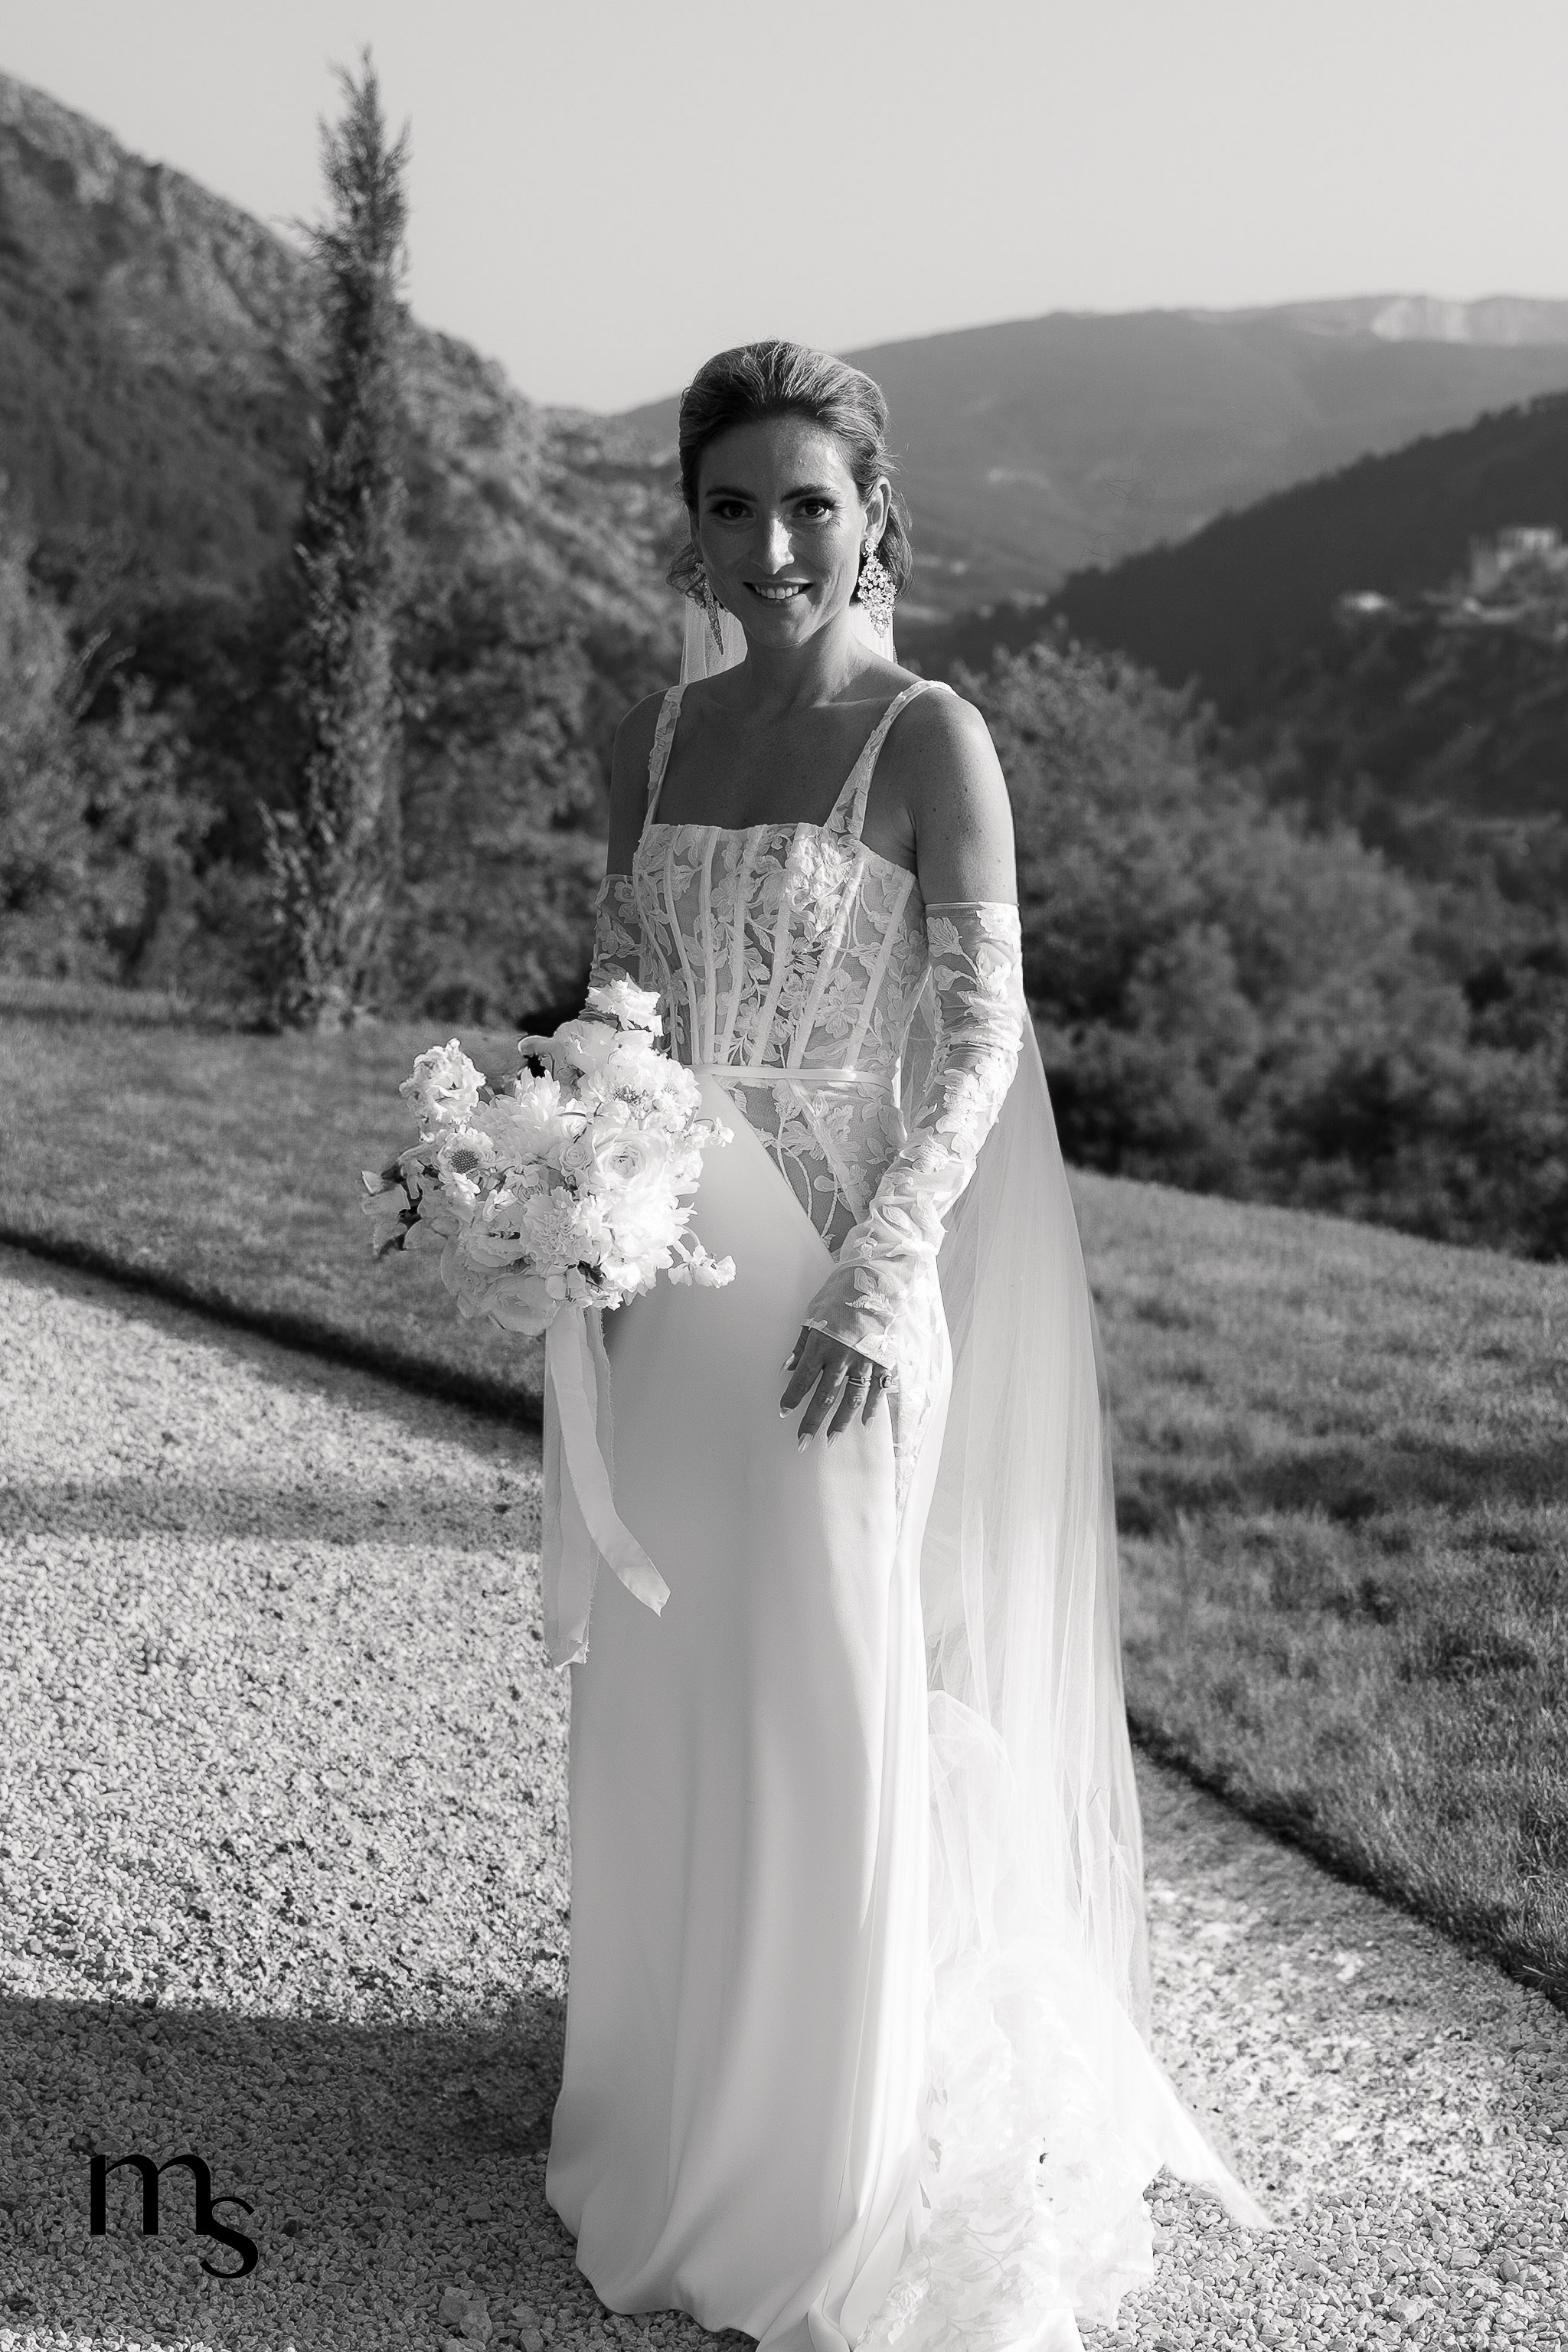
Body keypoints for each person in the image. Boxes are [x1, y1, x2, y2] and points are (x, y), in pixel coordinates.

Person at [541, 341, 1264, 2352]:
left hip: (851, 1287)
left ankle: (829, 2157)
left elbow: (976, 1037)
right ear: (685, 520)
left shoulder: (930, 738)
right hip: (675, 1270)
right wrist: (582, 1174)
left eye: (807, 507)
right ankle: (687, 2091)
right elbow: (625, 995)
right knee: (680, 1673)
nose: (767, 546)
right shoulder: (654, 741)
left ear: (878, 523)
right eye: (727, 506)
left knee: (831, 1686)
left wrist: (882, 1267)